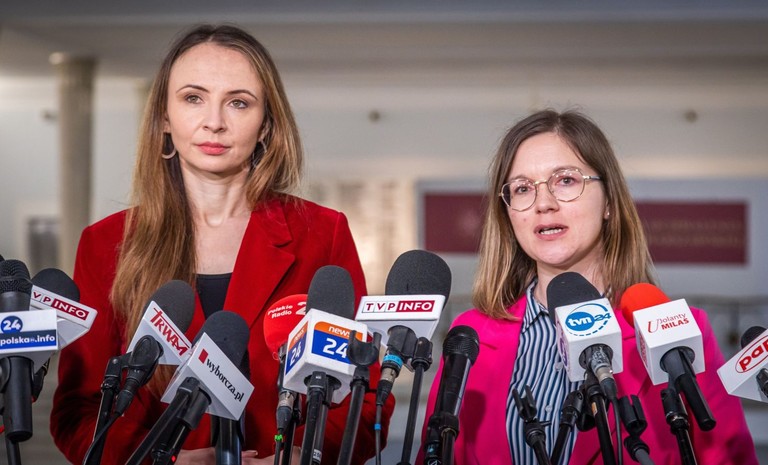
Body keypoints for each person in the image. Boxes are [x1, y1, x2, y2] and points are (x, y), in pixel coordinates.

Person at [50, 24, 394, 464]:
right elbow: (78, 413)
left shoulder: (322, 234)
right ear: (164, 118)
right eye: (193, 98)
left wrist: (301, 456)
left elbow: (365, 397)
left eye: (238, 102)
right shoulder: (105, 243)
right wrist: (165, 462)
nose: (214, 121)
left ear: (266, 124)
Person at [418, 109, 758, 464]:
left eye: (565, 180)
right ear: (508, 215)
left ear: (609, 201)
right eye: (522, 188)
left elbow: (728, 456)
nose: (544, 204)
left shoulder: (681, 333)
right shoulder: (469, 337)